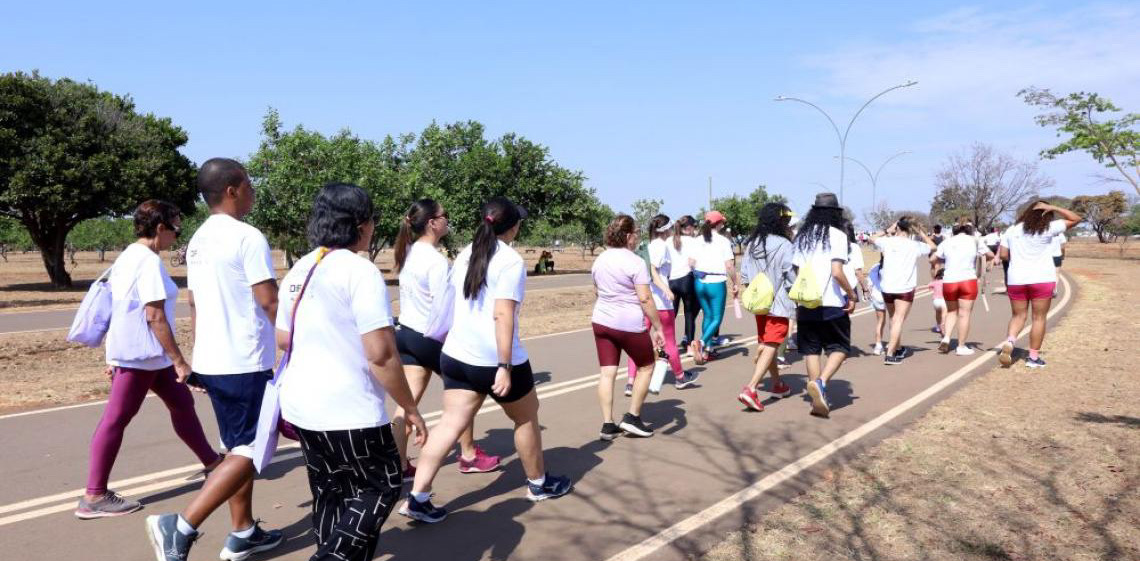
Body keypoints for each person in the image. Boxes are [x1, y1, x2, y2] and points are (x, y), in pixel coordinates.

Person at [275, 183, 430, 561]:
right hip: (349, 409)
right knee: (384, 485)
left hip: (304, 406)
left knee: (332, 494)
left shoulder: (301, 266)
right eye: (372, 219)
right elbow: (380, 354)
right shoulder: (359, 271)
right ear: (359, 223)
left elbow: (282, 338)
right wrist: (409, 407)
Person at [400, 196, 572, 523]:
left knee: (449, 423)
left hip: (456, 354)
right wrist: (505, 366)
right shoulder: (509, 260)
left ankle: (417, 497)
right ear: (513, 227)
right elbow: (502, 314)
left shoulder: (465, 252)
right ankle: (538, 484)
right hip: (493, 358)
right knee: (526, 418)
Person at [146, 158, 283, 561]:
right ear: (233, 190)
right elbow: (268, 299)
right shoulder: (247, 236)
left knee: (237, 448)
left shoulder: (199, 240)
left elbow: (194, 302)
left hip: (215, 359)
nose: (254, 192)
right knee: (252, 449)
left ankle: (243, 530)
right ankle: (182, 525)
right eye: (250, 185)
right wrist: (299, 339)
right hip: (244, 360)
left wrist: (195, 358)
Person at [77, 200, 222, 520]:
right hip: (140, 355)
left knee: (182, 405)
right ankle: (94, 495)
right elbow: (155, 316)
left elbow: (122, 308)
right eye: (176, 227)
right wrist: (180, 361)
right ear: (160, 227)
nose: (177, 234)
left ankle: (213, 463)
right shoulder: (147, 262)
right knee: (116, 419)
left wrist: (113, 354)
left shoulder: (130, 257)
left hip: (146, 355)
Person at [391, 199, 500, 479]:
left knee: (407, 404)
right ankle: (469, 455)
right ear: (432, 223)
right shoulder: (436, 261)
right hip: (430, 337)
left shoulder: (408, 253)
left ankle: (398, 465)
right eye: (444, 215)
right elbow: (444, 308)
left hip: (406, 334)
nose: (447, 219)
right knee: (464, 395)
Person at [589, 214, 670, 439]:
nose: (637, 237)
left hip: (601, 321)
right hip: (628, 323)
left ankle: (607, 424)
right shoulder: (635, 262)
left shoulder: (600, 260)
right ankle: (633, 417)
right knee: (646, 366)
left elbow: (596, 290)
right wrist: (657, 327)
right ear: (627, 236)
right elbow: (645, 298)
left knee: (607, 372)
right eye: (635, 233)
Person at [792, 193, 856, 418]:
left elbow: (798, 272)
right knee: (840, 348)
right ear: (835, 213)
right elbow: (837, 272)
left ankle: (817, 397)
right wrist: (851, 294)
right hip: (830, 301)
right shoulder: (837, 235)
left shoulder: (802, 237)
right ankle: (821, 382)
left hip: (805, 301)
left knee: (811, 350)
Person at [997, 201, 1081, 368]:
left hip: (1016, 279)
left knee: (1018, 316)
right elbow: (1076, 218)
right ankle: (1033, 358)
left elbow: (1004, 255)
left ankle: (1010, 341)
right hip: (1041, 278)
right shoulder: (1049, 227)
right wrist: (1055, 208)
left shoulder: (1012, 230)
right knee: (1039, 318)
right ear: (1046, 214)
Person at [625, 214, 700, 395]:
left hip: (646, 301)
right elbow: (653, 271)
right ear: (666, 229)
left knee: (638, 342)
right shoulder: (660, 247)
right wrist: (665, 289)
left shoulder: (649, 246)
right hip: (659, 302)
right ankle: (680, 377)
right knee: (670, 343)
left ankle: (630, 382)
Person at [737, 203, 796, 411]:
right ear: (780, 221)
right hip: (778, 302)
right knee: (773, 343)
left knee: (767, 341)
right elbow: (790, 275)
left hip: (759, 302)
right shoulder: (785, 244)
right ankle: (751, 388)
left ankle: (777, 384)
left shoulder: (752, 243)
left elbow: (744, 275)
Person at [872, 217, 937, 365]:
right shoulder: (914, 245)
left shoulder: (887, 241)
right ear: (910, 230)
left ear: (898, 228)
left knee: (893, 318)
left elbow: (872, 238)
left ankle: (898, 347)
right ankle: (890, 354)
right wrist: (921, 232)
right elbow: (933, 247)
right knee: (898, 319)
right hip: (904, 287)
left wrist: (888, 230)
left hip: (887, 287)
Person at [931, 217, 993, 356]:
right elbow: (990, 254)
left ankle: (946, 338)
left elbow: (932, 258)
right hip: (968, 280)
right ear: (970, 229)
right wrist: (984, 262)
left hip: (949, 281)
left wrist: (945, 259)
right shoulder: (976, 241)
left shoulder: (947, 242)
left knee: (951, 312)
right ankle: (961, 346)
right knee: (964, 314)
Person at [688, 210, 738, 363]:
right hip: (716, 282)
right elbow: (729, 265)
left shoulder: (697, 240)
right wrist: (735, 282)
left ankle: (706, 351)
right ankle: (701, 343)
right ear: (719, 224)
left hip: (699, 281)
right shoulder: (723, 241)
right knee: (716, 317)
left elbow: (690, 262)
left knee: (707, 315)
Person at [666, 215, 700, 351]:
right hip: (686, 279)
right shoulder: (693, 241)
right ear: (689, 228)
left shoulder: (669, 240)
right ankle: (690, 346)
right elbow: (692, 262)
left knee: (671, 315)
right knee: (689, 314)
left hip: (671, 281)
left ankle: (668, 345)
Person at [867, 258, 888, 355]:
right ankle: (894, 343)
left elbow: (869, 283)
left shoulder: (875, 266)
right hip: (889, 294)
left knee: (880, 321)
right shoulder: (892, 266)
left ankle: (878, 345)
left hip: (877, 295)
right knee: (895, 319)